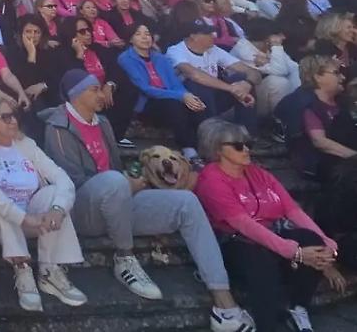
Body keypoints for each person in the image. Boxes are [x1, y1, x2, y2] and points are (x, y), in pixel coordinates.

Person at [44, 70, 255, 332]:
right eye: (95, 89)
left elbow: (116, 167)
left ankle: (224, 303)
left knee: (186, 202)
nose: (101, 94)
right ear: (77, 95)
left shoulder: (103, 123)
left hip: (118, 199)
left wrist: (133, 181)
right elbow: (70, 182)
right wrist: (123, 183)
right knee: (114, 181)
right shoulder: (58, 127)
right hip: (84, 210)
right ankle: (124, 259)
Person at [194, 118, 345, 332]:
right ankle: (269, 324)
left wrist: (327, 242)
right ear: (218, 150)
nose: (246, 149)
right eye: (238, 146)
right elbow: (244, 225)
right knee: (260, 258)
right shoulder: (211, 180)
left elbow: (292, 210)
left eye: (248, 144)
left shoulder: (258, 173)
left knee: (313, 240)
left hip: (273, 237)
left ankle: (298, 307)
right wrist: (294, 252)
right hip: (236, 243)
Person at [0, 95, 86, 312]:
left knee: (53, 193)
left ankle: (50, 270)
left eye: (14, 115)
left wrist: (57, 209)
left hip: (30, 217)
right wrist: (24, 218)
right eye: (5, 117)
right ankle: (21, 267)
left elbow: (62, 178)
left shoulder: (26, 145)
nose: (13, 121)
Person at [117, 24, 205, 159]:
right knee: (174, 105)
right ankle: (188, 148)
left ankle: (204, 144)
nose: (144, 37)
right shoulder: (126, 58)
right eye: (138, 34)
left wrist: (189, 96)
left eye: (147, 34)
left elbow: (175, 83)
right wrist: (181, 96)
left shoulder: (160, 58)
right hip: (148, 102)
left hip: (170, 96)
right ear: (131, 39)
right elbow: (145, 88)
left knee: (196, 104)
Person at [166, 20, 260, 132]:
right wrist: (232, 89)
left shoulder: (213, 49)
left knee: (241, 78)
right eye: (208, 33)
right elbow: (195, 75)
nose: (213, 36)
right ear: (193, 36)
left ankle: (247, 135)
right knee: (196, 85)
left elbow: (253, 73)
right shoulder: (176, 51)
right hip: (187, 102)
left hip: (213, 97)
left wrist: (246, 85)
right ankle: (211, 136)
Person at [229, 19, 299, 117]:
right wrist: (276, 47)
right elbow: (281, 70)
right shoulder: (243, 50)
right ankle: (280, 121)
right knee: (278, 82)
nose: (283, 37)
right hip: (242, 101)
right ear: (266, 38)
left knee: (290, 74)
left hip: (257, 94)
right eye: (278, 34)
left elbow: (294, 67)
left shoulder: (267, 47)